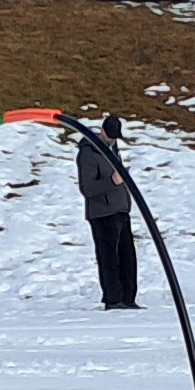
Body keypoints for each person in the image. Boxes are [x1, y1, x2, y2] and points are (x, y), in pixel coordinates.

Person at [79, 114, 140, 311]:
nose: (112, 140)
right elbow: (87, 188)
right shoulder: (88, 153)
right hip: (102, 213)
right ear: (102, 131)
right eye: (110, 135)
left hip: (120, 209)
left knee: (127, 257)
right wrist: (112, 181)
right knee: (109, 258)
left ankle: (128, 298)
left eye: (115, 137)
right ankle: (113, 300)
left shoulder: (113, 149)